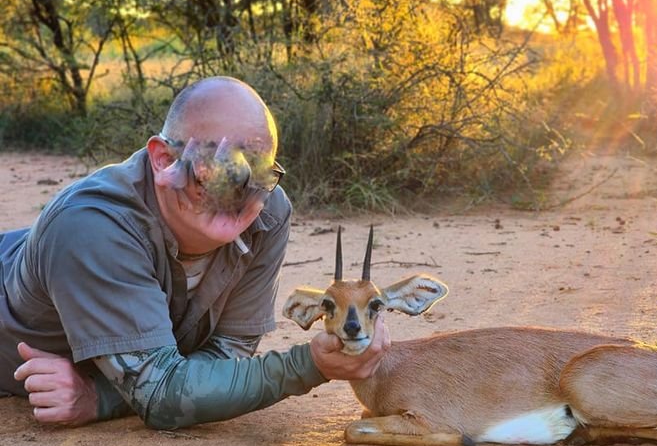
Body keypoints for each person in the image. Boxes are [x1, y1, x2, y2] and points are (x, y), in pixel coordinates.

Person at [0, 76, 389, 428]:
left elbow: (228, 352)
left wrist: (101, 395)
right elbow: (162, 394)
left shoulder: (268, 211)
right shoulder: (90, 227)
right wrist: (309, 365)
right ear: (163, 159)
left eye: (257, 171)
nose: (240, 195)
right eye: (218, 170)